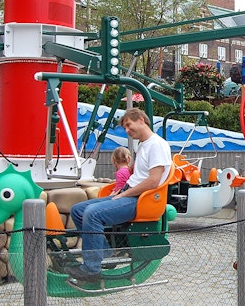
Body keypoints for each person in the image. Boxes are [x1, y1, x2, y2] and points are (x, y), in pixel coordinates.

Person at [66, 108, 172, 282]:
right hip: (130, 193)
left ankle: (91, 269)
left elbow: (153, 181)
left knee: (92, 214)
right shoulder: (143, 145)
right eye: (125, 128)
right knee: (78, 210)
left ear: (141, 120)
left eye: (129, 125)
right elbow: (137, 173)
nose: (127, 131)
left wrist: (125, 194)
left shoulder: (157, 145)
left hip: (140, 199)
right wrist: (120, 188)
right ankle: (105, 254)